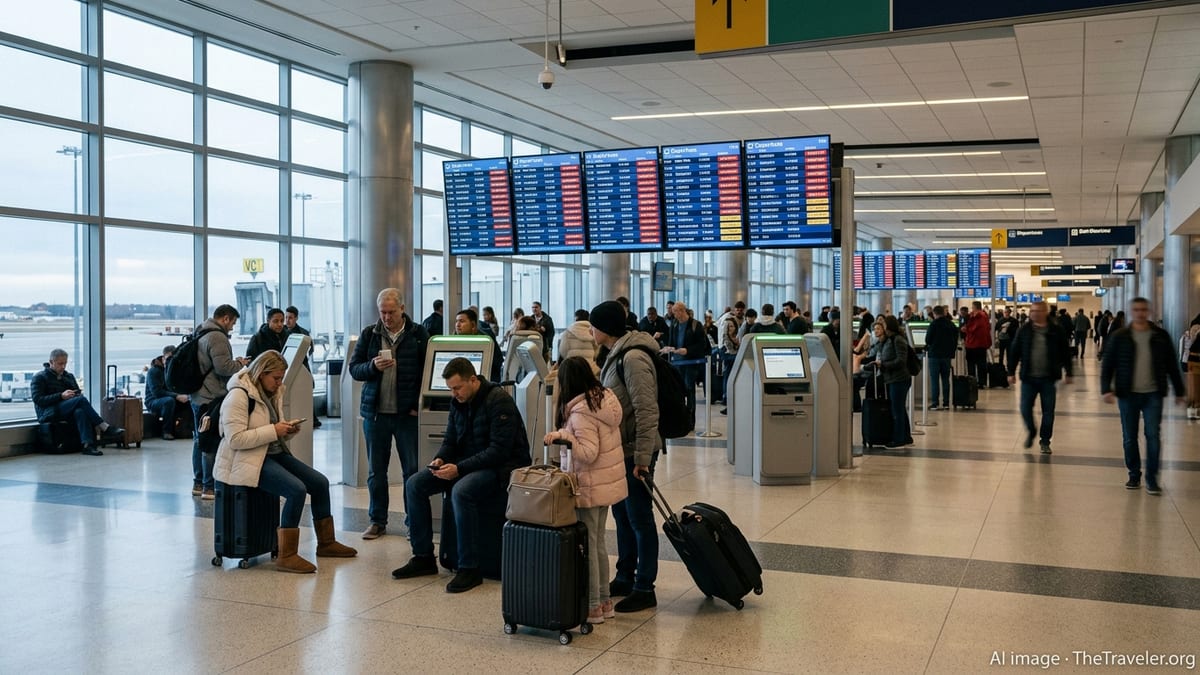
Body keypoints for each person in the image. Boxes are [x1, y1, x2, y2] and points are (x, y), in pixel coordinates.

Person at [390, 357, 531, 592]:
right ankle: (423, 556)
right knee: (414, 485)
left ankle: (469, 567)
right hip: (468, 463)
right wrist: (440, 459)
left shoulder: (499, 401)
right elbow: (451, 440)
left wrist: (459, 469)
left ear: (473, 380)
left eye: (457, 388)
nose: (454, 394)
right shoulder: (458, 402)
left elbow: (499, 451)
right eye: (450, 389)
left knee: (462, 491)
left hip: (501, 468)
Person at [213, 350, 357, 573]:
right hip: (247, 459)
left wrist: (286, 431)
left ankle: (326, 543)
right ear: (261, 373)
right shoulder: (238, 396)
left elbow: (271, 430)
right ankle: (286, 554)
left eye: (281, 377)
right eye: (276, 378)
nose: (280, 382)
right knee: (296, 490)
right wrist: (274, 430)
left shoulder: (273, 392)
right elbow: (235, 439)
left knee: (319, 483)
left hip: (272, 452)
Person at [543, 356, 628, 624]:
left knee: (590, 546)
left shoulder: (581, 412)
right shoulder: (603, 400)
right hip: (605, 483)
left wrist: (564, 436)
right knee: (598, 542)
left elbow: (588, 453)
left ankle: (593, 606)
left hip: (590, 485)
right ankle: (605, 601)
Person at [589, 300, 661, 613]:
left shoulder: (632, 358)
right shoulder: (615, 354)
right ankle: (625, 575)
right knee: (622, 515)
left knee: (640, 518)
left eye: (593, 326)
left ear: (604, 328)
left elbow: (646, 409)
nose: (590, 332)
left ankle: (645, 586)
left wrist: (643, 458)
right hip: (621, 450)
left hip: (636, 452)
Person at [349, 288, 429, 540]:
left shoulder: (418, 335)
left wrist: (418, 404)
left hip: (407, 415)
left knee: (411, 471)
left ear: (402, 309)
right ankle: (377, 521)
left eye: (391, 312)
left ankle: (412, 522)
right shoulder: (369, 334)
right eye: (382, 312)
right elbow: (354, 369)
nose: (386, 317)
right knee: (376, 472)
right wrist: (372, 366)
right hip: (376, 415)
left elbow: (427, 371)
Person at [1101, 298, 1186, 495]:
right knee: (1129, 437)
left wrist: (1179, 390)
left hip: (1153, 394)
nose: (1140, 313)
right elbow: (1108, 363)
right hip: (1127, 394)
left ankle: (1152, 479)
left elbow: (1171, 364)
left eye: (1143, 310)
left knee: (1153, 435)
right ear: (1131, 312)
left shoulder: (1160, 336)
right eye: (1137, 310)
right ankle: (1134, 474)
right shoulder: (1121, 336)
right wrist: (1106, 388)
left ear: (1149, 312)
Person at [191, 305, 249, 499]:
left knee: (199, 440)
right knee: (210, 442)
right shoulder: (217, 337)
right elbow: (223, 368)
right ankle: (209, 486)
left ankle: (199, 483)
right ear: (225, 318)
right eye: (232, 322)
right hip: (210, 396)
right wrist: (240, 364)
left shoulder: (201, 330)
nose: (232, 327)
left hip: (197, 395)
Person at [1007, 301, 1073, 454]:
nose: (1034, 314)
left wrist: (1069, 372)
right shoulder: (1024, 330)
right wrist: (1010, 372)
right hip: (1028, 378)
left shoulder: (1056, 330)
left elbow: (1065, 352)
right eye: (1032, 311)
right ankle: (1031, 430)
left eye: (1038, 311)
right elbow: (1015, 351)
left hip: (1049, 378)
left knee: (1048, 412)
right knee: (1025, 408)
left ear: (1045, 312)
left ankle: (1045, 440)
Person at [31, 348, 125, 456]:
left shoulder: (68, 376)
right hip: (48, 412)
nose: (63, 367)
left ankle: (87, 445)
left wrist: (72, 395)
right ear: (51, 362)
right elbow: (38, 400)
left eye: (65, 363)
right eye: (60, 364)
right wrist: (61, 396)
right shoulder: (40, 378)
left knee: (80, 411)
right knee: (81, 400)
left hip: (65, 409)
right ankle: (104, 427)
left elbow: (77, 393)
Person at [662, 300, 709, 422]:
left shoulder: (696, 325)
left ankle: (690, 419)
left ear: (682, 311)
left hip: (691, 363)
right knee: (678, 389)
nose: (673, 315)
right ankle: (681, 419)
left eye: (675, 312)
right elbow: (672, 341)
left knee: (689, 389)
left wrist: (687, 350)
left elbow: (702, 345)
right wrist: (669, 348)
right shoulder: (674, 324)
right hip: (677, 362)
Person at [871, 316, 913, 449]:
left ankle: (898, 439)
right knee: (900, 408)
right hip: (892, 378)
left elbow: (901, 360)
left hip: (899, 379)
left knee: (897, 410)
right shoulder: (888, 340)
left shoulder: (898, 339)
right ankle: (906, 437)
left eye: (883, 324)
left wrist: (884, 365)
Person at [284, 305, 321, 428]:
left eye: (290, 318)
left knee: (306, 392)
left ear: (296, 318)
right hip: (288, 366)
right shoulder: (283, 332)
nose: (287, 320)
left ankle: (312, 418)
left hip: (302, 365)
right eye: (286, 317)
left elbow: (310, 350)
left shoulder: (303, 333)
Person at [145, 348, 189, 440]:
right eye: (168, 358)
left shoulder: (173, 370)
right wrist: (177, 396)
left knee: (189, 401)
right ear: (163, 358)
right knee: (169, 401)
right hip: (153, 400)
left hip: (169, 397)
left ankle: (185, 429)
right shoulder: (154, 371)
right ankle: (166, 431)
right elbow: (157, 392)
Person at [455, 308, 504, 382]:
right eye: (456, 321)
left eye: (462, 321)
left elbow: (496, 364)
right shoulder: (455, 339)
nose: (458, 325)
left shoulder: (485, 340)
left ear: (473, 325)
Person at [925, 306, 957, 410]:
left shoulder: (933, 324)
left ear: (934, 314)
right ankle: (946, 403)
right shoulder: (950, 324)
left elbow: (928, 340)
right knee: (945, 379)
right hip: (946, 356)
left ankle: (935, 403)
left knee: (934, 380)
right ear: (944, 313)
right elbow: (955, 338)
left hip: (934, 355)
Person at [961, 301, 992, 384]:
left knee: (972, 364)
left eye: (972, 307)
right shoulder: (984, 316)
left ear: (975, 307)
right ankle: (982, 382)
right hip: (982, 344)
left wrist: (965, 329)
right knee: (981, 364)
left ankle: (973, 382)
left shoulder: (979, 316)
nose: (971, 309)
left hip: (973, 344)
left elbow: (973, 328)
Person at [1185, 315, 1200, 420]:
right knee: (1194, 387)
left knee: (1194, 387)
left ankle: (1194, 410)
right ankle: (1194, 411)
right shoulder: (1197, 322)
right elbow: (1193, 332)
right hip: (1195, 357)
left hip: (1194, 356)